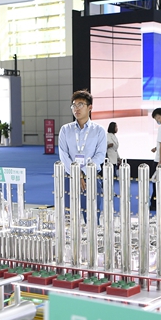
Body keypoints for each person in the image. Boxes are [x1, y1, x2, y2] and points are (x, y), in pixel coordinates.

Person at [58, 90, 107, 222]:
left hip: (90, 177)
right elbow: (63, 154)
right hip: (69, 177)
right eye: (74, 105)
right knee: (68, 218)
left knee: (92, 217)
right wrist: (76, 173)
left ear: (90, 107)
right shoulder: (65, 129)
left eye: (80, 105)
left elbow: (100, 155)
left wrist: (83, 172)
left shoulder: (99, 130)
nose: (76, 109)